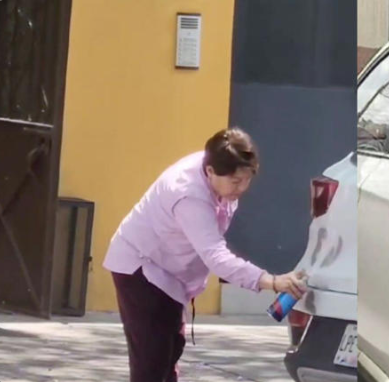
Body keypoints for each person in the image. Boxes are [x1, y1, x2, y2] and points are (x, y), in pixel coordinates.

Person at [103, 127, 307, 382]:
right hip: (142, 268)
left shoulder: (218, 173)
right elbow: (216, 256)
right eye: (235, 181)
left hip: (171, 274)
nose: (242, 188)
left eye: (247, 179)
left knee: (171, 350)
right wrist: (271, 281)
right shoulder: (189, 194)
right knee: (151, 359)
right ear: (210, 171)